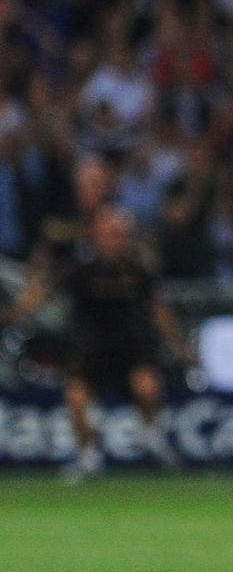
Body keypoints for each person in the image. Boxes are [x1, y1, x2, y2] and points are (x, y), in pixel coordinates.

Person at [8, 206, 187, 481]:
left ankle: (151, 437)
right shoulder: (81, 267)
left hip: (131, 344)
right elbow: (45, 287)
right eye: (110, 234)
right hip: (90, 347)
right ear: (97, 236)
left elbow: (158, 308)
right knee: (76, 399)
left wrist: (178, 345)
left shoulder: (138, 269)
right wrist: (18, 313)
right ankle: (88, 456)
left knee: (148, 388)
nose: (115, 239)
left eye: (120, 234)